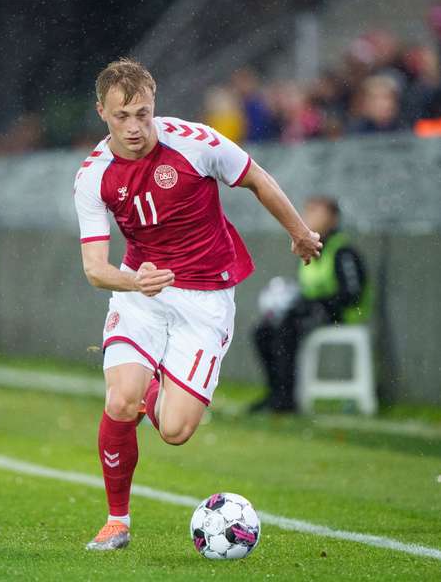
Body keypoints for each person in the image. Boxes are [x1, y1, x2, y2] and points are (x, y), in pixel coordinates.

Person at [74, 58, 322, 551]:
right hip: (140, 290)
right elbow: (95, 269)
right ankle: (116, 521)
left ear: (154, 103)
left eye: (143, 113)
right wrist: (133, 283)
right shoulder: (93, 176)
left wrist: (300, 233)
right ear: (102, 112)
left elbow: (257, 179)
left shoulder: (196, 142)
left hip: (206, 296)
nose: (134, 127)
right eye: (122, 116)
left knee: (174, 430)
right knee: (120, 398)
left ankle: (158, 383)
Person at [250, 196, 369, 413]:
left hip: (341, 315)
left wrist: (317, 304)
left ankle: (286, 400)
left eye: (317, 212)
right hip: (312, 310)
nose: (309, 217)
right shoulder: (309, 248)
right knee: (263, 330)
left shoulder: (342, 251)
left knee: (286, 328)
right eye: (307, 212)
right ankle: (275, 392)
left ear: (333, 218)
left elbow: (352, 294)